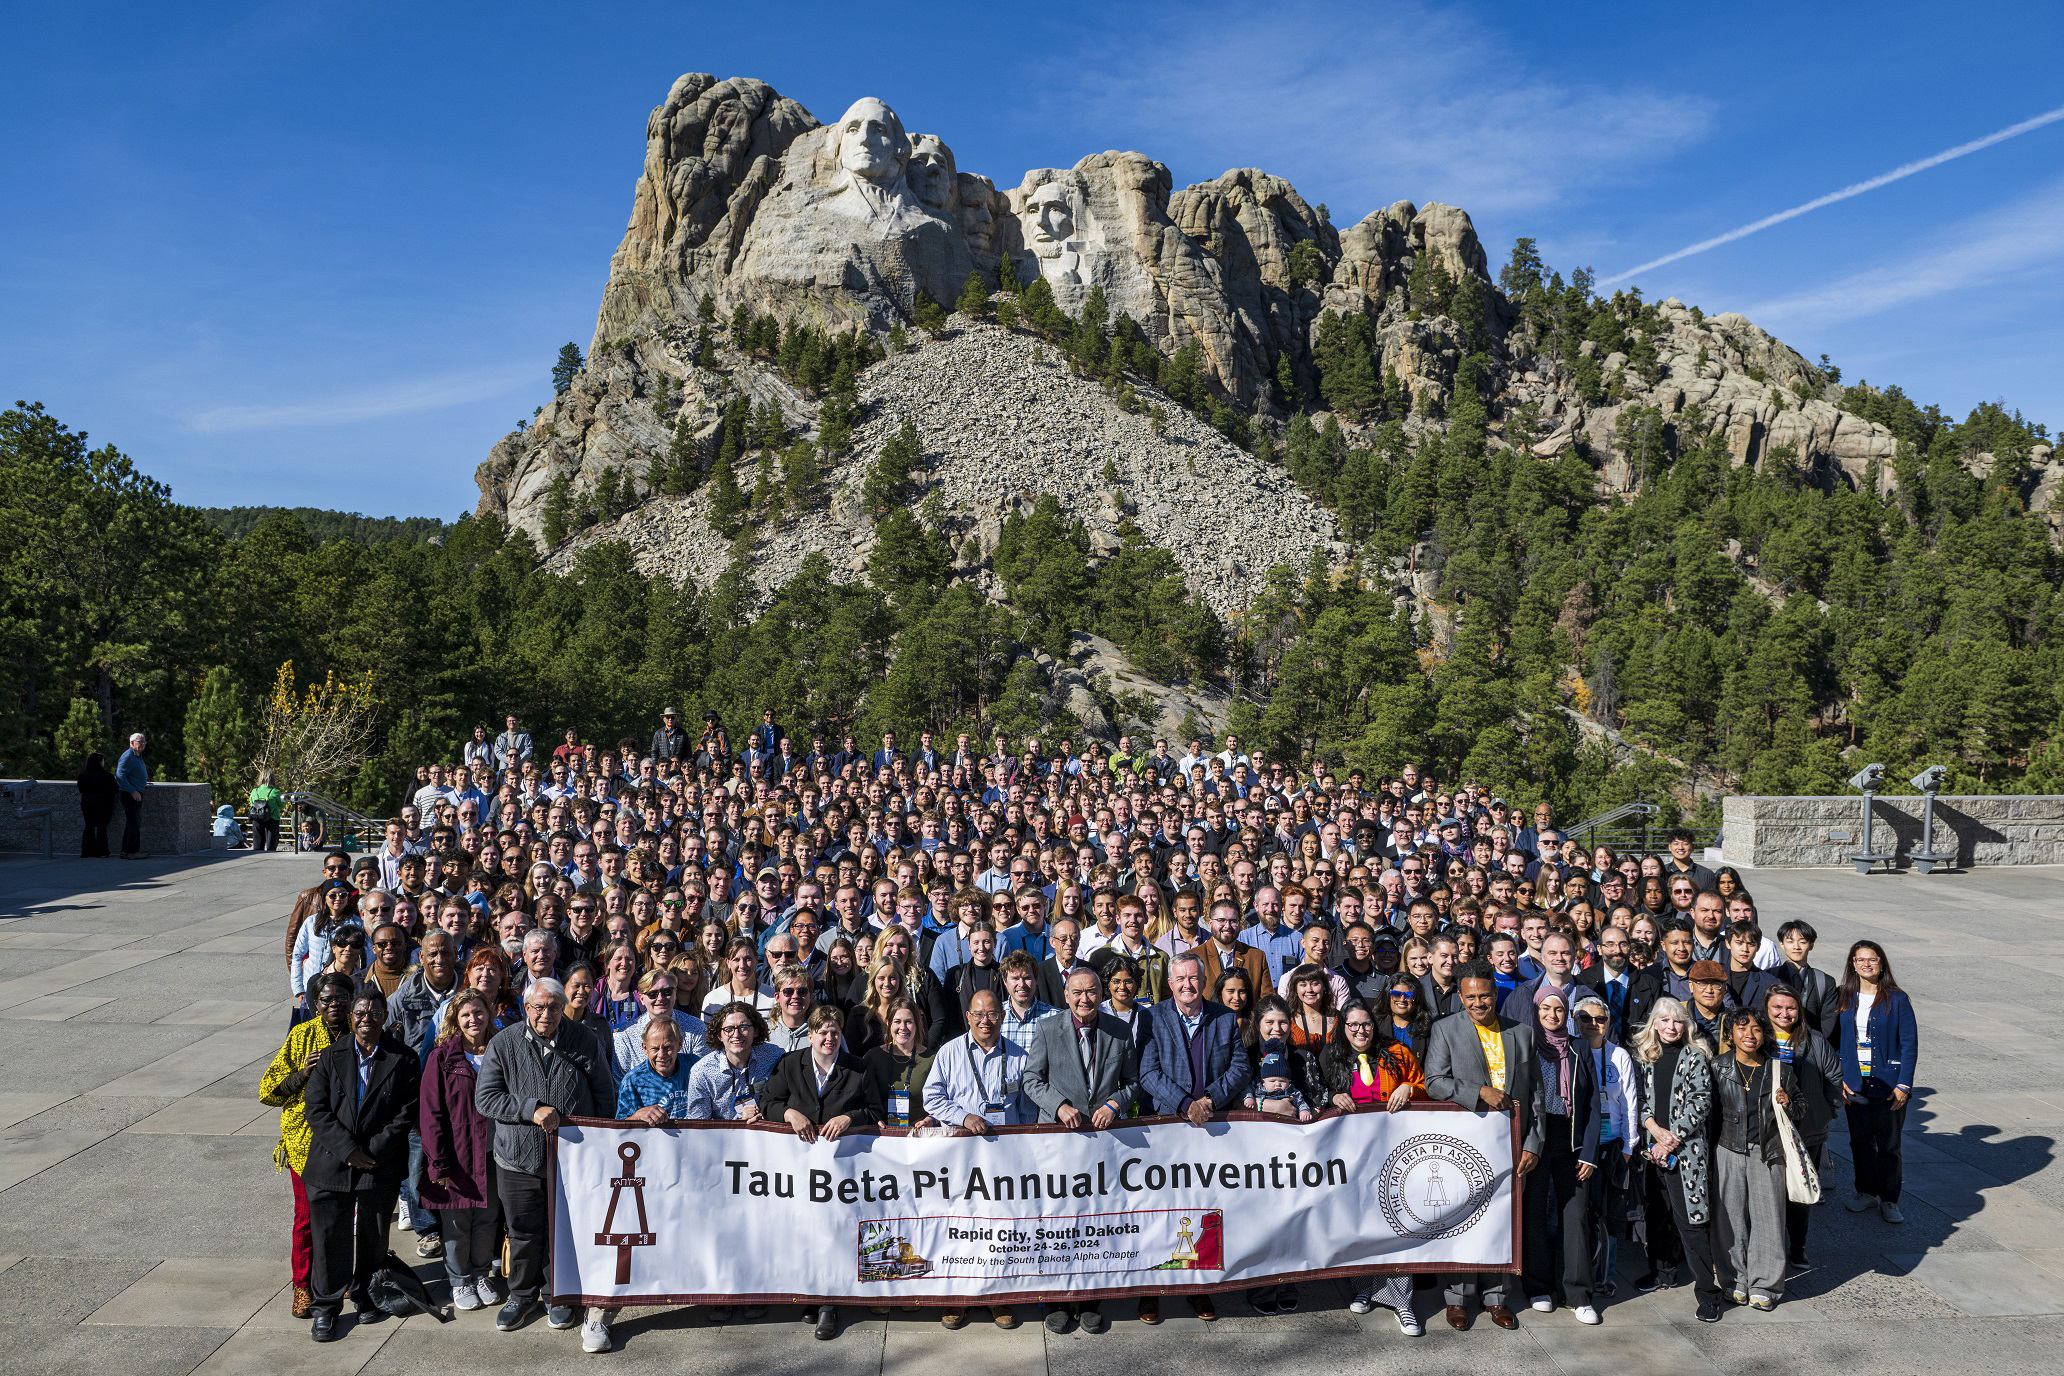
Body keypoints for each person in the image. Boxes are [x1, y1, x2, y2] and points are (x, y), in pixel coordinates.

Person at [475, 978, 615, 1342]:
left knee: (562, 1232)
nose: (546, 1015)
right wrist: (530, 1109)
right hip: (517, 1160)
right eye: (538, 1007)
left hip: (570, 1160)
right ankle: (521, 1295)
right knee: (522, 1231)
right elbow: (486, 1098)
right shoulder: (503, 1043)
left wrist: (596, 1145)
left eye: (554, 1007)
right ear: (526, 1008)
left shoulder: (585, 1040)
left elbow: (604, 1095)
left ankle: (558, 1295)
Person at [1423, 972, 1545, 1330]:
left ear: (1495, 994)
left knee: (1502, 1220)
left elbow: (1536, 1093)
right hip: (1466, 1144)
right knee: (1463, 1219)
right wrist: (1478, 1091)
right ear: (1461, 998)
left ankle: (1496, 1296)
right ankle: (1458, 1298)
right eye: (1471, 997)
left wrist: (1533, 1143)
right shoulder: (1445, 1030)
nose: (1478, 1003)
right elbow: (1434, 1082)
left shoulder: (1522, 1033)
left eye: (1485, 996)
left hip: (1511, 1145)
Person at [301, 988, 421, 1341]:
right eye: (360, 1013)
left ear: (386, 1018)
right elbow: (316, 1109)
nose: (367, 1019)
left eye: (375, 1013)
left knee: (374, 1236)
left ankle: (366, 1295)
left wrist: (371, 1152)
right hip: (332, 1161)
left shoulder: (404, 1058)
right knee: (329, 1238)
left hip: (377, 1162)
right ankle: (326, 1308)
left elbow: (405, 1114)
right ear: (351, 1017)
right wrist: (347, 1150)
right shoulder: (331, 1056)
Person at [1136, 952, 1249, 1323]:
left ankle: (1198, 1287)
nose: (1187, 985)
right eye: (1180, 979)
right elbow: (1147, 1073)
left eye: (1194, 978)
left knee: (1202, 1208)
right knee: (1159, 1209)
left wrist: (1209, 1100)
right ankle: (1151, 1291)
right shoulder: (1152, 1017)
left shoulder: (1224, 1017)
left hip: (1210, 1129)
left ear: (1204, 981)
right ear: (1170, 983)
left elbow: (1240, 1068)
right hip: (1167, 1128)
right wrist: (1185, 1104)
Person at [763, 1005, 885, 1340]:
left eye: (834, 1032)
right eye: (822, 1032)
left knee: (834, 1230)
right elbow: (767, 1103)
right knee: (806, 1230)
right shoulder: (790, 1064)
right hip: (799, 1170)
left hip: (841, 1171)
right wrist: (789, 1113)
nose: (829, 1038)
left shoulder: (858, 1069)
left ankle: (829, 1304)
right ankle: (811, 1293)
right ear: (810, 1035)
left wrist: (849, 1118)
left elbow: (875, 1109)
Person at [923, 988, 1030, 1331]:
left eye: (993, 1014)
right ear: (968, 1017)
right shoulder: (949, 1052)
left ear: (1003, 1016)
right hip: (960, 1158)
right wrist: (963, 1116)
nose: (986, 1021)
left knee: (999, 1227)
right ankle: (959, 1297)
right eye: (979, 1014)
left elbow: (1027, 1108)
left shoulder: (1019, 1056)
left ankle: (998, 1296)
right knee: (960, 1227)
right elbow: (931, 1097)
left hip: (1003, 1160)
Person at [1321, 1000, 1425, 1333]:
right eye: (1352, 1025)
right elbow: (1314, 1091)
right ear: (1343, 1027)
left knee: (1397, 1224)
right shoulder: (1332, 1056)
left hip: (1392, 1151)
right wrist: (1332, 1096)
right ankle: (1365, 1287)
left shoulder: (1397, 1053)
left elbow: (1425, 1084)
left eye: (1366, 1024)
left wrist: (1409, 1087)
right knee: (1361, 1223)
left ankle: (1403, 1302)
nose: (1360, 1031)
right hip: (1351, 1155)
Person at [260, 972, 354, 1319]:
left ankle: (337, 1277)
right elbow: (267, 1091)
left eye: (341, 998)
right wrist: (302, 1073)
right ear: (315, 1004)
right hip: (305, 1142)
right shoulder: (302, 1035)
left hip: (347, 1140)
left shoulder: (360, 1032)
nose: (334, 1005)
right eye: (327, 999)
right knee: (306, 1216)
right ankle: (302, 1285)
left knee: (343, 1215)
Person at [1634, 997, 1726, 1322]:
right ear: (1654, 1024)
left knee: (1690, 1223)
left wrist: (1670, 1139)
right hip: (1653, 1150)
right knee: (1656, 1213)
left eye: (1677, 1021)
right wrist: (1654, 1131)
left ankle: (1708, 1293)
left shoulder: (1695, 1056)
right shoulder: (1647, 1057)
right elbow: (1641, 1100)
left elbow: (1701, 1103)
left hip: (1685, 1154)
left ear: (1686, 1025)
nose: (1671, 1027)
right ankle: (1663, 1272)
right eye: (1664, 1020)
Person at [1711, 1009, 1803, 1309]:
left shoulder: (1779, 1070)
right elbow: (1711, 1115)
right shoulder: (1719, 1067)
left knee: (1769, 1218)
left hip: (1768, 1152)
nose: (1749, 1035)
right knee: (1729, 1218)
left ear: (1764, 1035)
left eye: (1756, 1029)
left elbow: (1801, 1107)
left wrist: (1789, 1104)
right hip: (1727, 1149)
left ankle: (1765, 1285)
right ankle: (1734, 1280)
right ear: (1730, 1034)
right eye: (1742, 1028)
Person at [418, 990, 500, 1311]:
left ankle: (480, 1275)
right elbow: (431, 1113)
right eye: (465, 1014)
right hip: (457, 1156)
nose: (473, 1019)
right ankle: (459, 1280)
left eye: (478, 1012)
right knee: (456, 1223)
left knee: (487, 1220)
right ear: (455, 1019)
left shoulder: (500, 1050)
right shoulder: (442, 1058)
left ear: (488, 1014)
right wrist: (438, 1163)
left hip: (494, 1154)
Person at [1526, 990, 1601, 1323]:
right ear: (1536, 1010)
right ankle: (1538, 1287)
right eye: (1545, 1008)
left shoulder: (1579, 1048)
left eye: (1558, 1009)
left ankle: (1577, 1294)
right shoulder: (1526, 1044)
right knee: (1535, 1213)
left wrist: (1590, 1153)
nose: (1552, 1015)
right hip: (1537, 1139)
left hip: (1572, 1141)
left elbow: (1594, 1104)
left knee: (1575, 1216)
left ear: (1568, 1014)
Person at [1837, 940, 1918, 1224]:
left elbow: (1909, 1044)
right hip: (1854, 1082)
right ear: (1853, 964)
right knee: (1860, 1141)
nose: (1866, 964)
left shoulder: (1897, 999)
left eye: (1872, 959)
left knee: (1888, 1144)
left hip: (1888, 1083)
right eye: (1860, 959)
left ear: (1881, 963)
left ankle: (1889, 1198)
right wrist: (1839, 1077)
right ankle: (1866, 1192)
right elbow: (1833, 1039)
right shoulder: (1843, 997)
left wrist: (1904, 1085)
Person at [1763, 985, 1840, 1269]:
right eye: (1777, 1007)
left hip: (1807, 1130)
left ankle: (1798, 1246)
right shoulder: (1757, 1037)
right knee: (1769, 1191)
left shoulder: (1815, 1040)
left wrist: (1825, 1113)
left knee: (1800, 1190)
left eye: (1791, 1007)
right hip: (1768, 1130)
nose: (1784, 1013)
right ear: (1766, 1009)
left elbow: (1834, 1079)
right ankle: (1770, 1247)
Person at [1572, 993, 1641, 1298]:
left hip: (1611, 1146)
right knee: (1580, 1214)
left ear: (1608, 1022)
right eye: (1585, 1018)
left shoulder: (1619, 1055)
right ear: (1575, 1020)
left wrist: (1628, 1146)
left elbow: (1629, 1103)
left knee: (1607, 1216)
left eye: (1600, 1019)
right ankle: (1581, 1271)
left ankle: (1606, 1276)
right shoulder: (1570, 1052)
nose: (1593, 1024)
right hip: (1580, 1148)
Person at [861, 998, 937, 1131]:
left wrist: (931, 1120)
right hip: (881, 1134)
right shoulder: (873, 1057)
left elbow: (945, 1099)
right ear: (888, 1023)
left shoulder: (931, 1059)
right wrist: (872, 1119)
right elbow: (858, 1097)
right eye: (897, 1021)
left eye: (908, 1022)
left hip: (919, 1134)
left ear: (917, 1024)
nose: (903, 1027)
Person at [76, 751, 118, 857]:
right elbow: (115, 789)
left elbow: (81, 789)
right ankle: (101, 851)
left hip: (86, 804)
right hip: (102, 804)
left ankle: (87, 851)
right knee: (101, 827)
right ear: (100, 762)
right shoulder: (107, 776)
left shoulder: (83, 775)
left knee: (89, 826)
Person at [115, 731, 149, 858]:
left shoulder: (137, 756)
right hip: (130, 794)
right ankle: (133, 852)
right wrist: (133, 791)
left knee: (132, 822)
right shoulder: (128, 756)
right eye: (140, 742)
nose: (143, 744)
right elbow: (119, 776)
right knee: (134, 823)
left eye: (144, 742)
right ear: (132, 743)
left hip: (135, 792)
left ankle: (126, 851)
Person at [249, 768, 286, 852]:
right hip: (272, 819)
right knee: (271, 846)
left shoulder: (254, 791)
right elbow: (282, 805)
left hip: (257, 819)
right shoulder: (275, 792)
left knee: (257, 846)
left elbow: (251, 804)